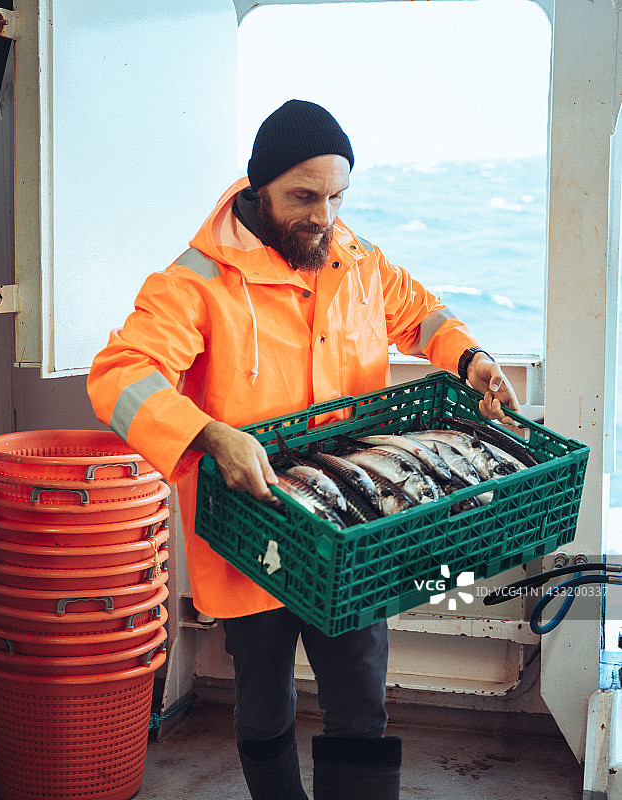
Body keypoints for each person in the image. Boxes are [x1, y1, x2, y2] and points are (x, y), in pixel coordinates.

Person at [87, 99, 520, 800]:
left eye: (336, 196)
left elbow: (421, 313)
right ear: (260, 187)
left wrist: (468, 356)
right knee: (262, 699)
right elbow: (119, 374)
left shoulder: (357, 259)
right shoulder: (193, 282)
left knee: (360, 699)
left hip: (353, 532)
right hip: (252, 524)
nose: (323, 215)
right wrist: (205, 432)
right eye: (304, 196)